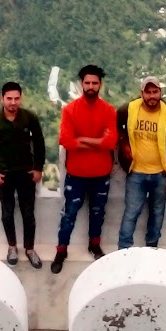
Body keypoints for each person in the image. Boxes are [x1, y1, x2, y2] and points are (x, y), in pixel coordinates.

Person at [51, 64, 117, 274]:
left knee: (98, 213)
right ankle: (61, 251)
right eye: (87, 83)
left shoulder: (108, 110)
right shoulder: (70, 110)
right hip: (76, 175)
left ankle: (94, 245)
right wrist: (97, 140)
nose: (90, 86)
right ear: (81, 84)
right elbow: (66, 141)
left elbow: (110, 143)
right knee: (68, 214)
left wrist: (83, 140)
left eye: (94, 83)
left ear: (100, 84)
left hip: (101, 174)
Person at [0, 81, 46, 267]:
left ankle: (30, 249)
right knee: (7, 213)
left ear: (21, 98)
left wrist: (38, 168)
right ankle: (12, 247)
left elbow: (39, 143)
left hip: (26, 174)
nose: (13, 102)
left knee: (28, 214)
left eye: (16, 98)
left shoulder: (29, 118)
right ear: (2, 99)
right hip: (5, 175)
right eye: (9, 98)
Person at [116, 74, 166, 250]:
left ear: (160, 92)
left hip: (160, 174)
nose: (152, 96)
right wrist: (123, 144)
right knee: (131, 213)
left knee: (157, 213)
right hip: (136, 172)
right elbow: (116, 125)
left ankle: (151, 249)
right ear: (142, 93)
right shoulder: (129, 109)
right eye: (148, 92)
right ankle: (123, 251)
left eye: (155, 92)